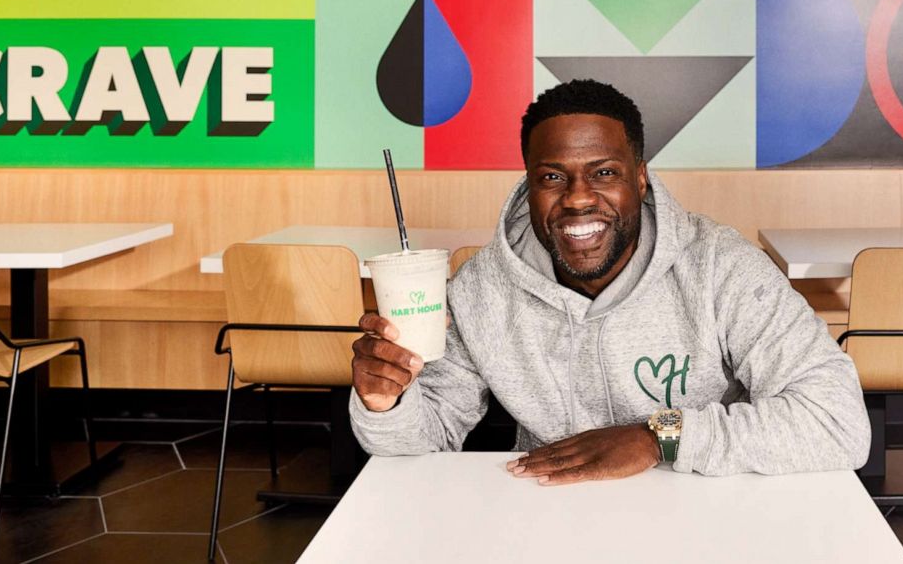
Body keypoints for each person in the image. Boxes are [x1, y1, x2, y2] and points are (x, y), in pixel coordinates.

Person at [350, 79, 870, 483]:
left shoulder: (722, 268)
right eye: (553, 177)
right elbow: (422, 441)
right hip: (550, 514)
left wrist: (658, 437)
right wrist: (386, 403)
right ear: (528, 185)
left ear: (639, 178)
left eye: (603, 173)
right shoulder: (480, 291)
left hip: (707, 512)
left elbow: (837, 423)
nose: (577, 198)